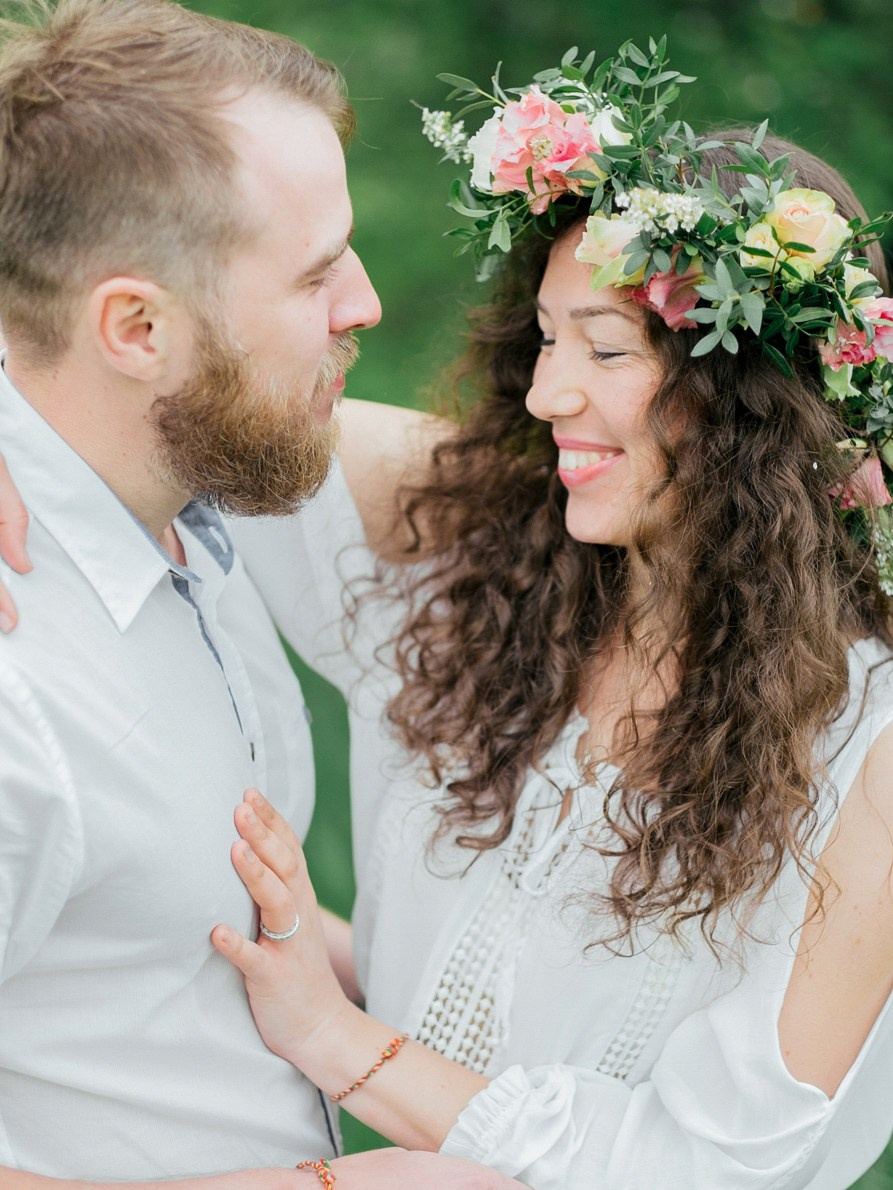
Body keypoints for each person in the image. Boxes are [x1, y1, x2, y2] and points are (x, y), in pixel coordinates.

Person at [199, 46, 893, 1190]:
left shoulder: (865, 747)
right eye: (543, 337)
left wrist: (334, 1035)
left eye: (605, 348)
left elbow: (703, 1161)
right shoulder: (483, 558)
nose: (543, 392)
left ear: (749, 399)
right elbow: (182, 405)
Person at [0, 1, 523, 1187]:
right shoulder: (23, 692)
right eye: (314, 272)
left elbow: (166, 928)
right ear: (137, 327)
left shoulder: (182, 501)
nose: (364, 303)